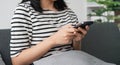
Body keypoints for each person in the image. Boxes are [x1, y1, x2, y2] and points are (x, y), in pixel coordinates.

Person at [10, 0, 116, 65]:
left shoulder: (68, 13)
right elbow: (17, 61)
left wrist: (77, 41)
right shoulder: (24, 11)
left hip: (73, 60)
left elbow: (75, 51)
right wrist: (53, 40)